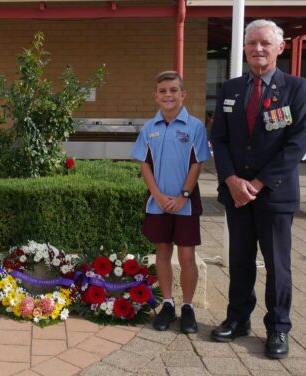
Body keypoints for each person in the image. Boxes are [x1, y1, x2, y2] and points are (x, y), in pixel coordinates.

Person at [210, 19, 306, 359]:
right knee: (240, 261)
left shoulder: (297, 88)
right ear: (245, 49)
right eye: (252, 43)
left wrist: (258, 182)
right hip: (237, 194)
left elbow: (296, 145)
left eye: (265, 43)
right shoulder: (231, 89)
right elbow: (219, 139)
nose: (258, 49)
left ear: (281, 48)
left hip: (274, 194)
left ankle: (278, 329)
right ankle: (238, 320)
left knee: (279, 267)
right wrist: (232, 180)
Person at [130, 71, 210, 334]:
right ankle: (167, 304)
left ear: (183, 94)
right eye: (163, 91)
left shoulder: (195, 126)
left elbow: (197, 164)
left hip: (185, 202)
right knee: (162, 253)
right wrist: (158, 196)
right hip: (158, 203)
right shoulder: (149, 128)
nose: (168, 95)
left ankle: (187, 307)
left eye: (174, 90)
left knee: (187, 257)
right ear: (156, 96)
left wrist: (182, 196)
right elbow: (144, 165)